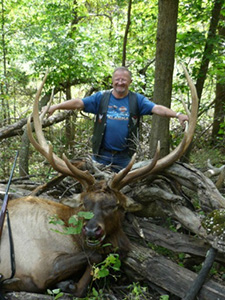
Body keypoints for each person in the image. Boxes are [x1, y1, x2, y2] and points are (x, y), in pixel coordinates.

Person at [43, 67, 189, 172]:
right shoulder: (101, 97)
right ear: (112, 81)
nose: (120, 82)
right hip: (101, 156)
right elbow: (78, 103)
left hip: (124, 158)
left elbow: (157, 109)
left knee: (121, 193)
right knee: (97, 192)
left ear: (130, 81)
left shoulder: (136, 100)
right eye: (117, 79)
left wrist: (177, 115)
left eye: (124, 80)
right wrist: (56, 106)